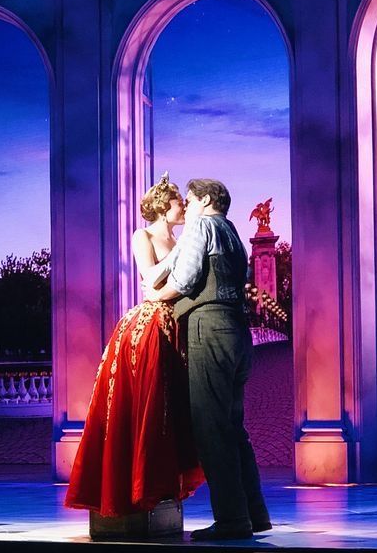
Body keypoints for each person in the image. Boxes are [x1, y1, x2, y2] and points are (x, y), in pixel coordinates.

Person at [65, 173, 204, 518]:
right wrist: (179, 259)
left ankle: (161, 484)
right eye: (177, 201)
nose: (183, 206)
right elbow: (149, 276)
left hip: (180, 322)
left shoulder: (184, 238)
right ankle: (137, 484)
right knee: (148, 401)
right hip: (152, 324)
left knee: (174, 409)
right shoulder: (142, 235)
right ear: (161, 204)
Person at [151, 178, 272, 541]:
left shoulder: (200, 225)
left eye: (189, 199)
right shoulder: (232, 231)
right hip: (237, 331)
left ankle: (232, 519)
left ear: (205, 200)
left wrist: (153, 297)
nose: (185, 206)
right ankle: (254, 513)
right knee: (234, 429)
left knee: (211, 429)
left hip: (209, 328)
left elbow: (186, 280)